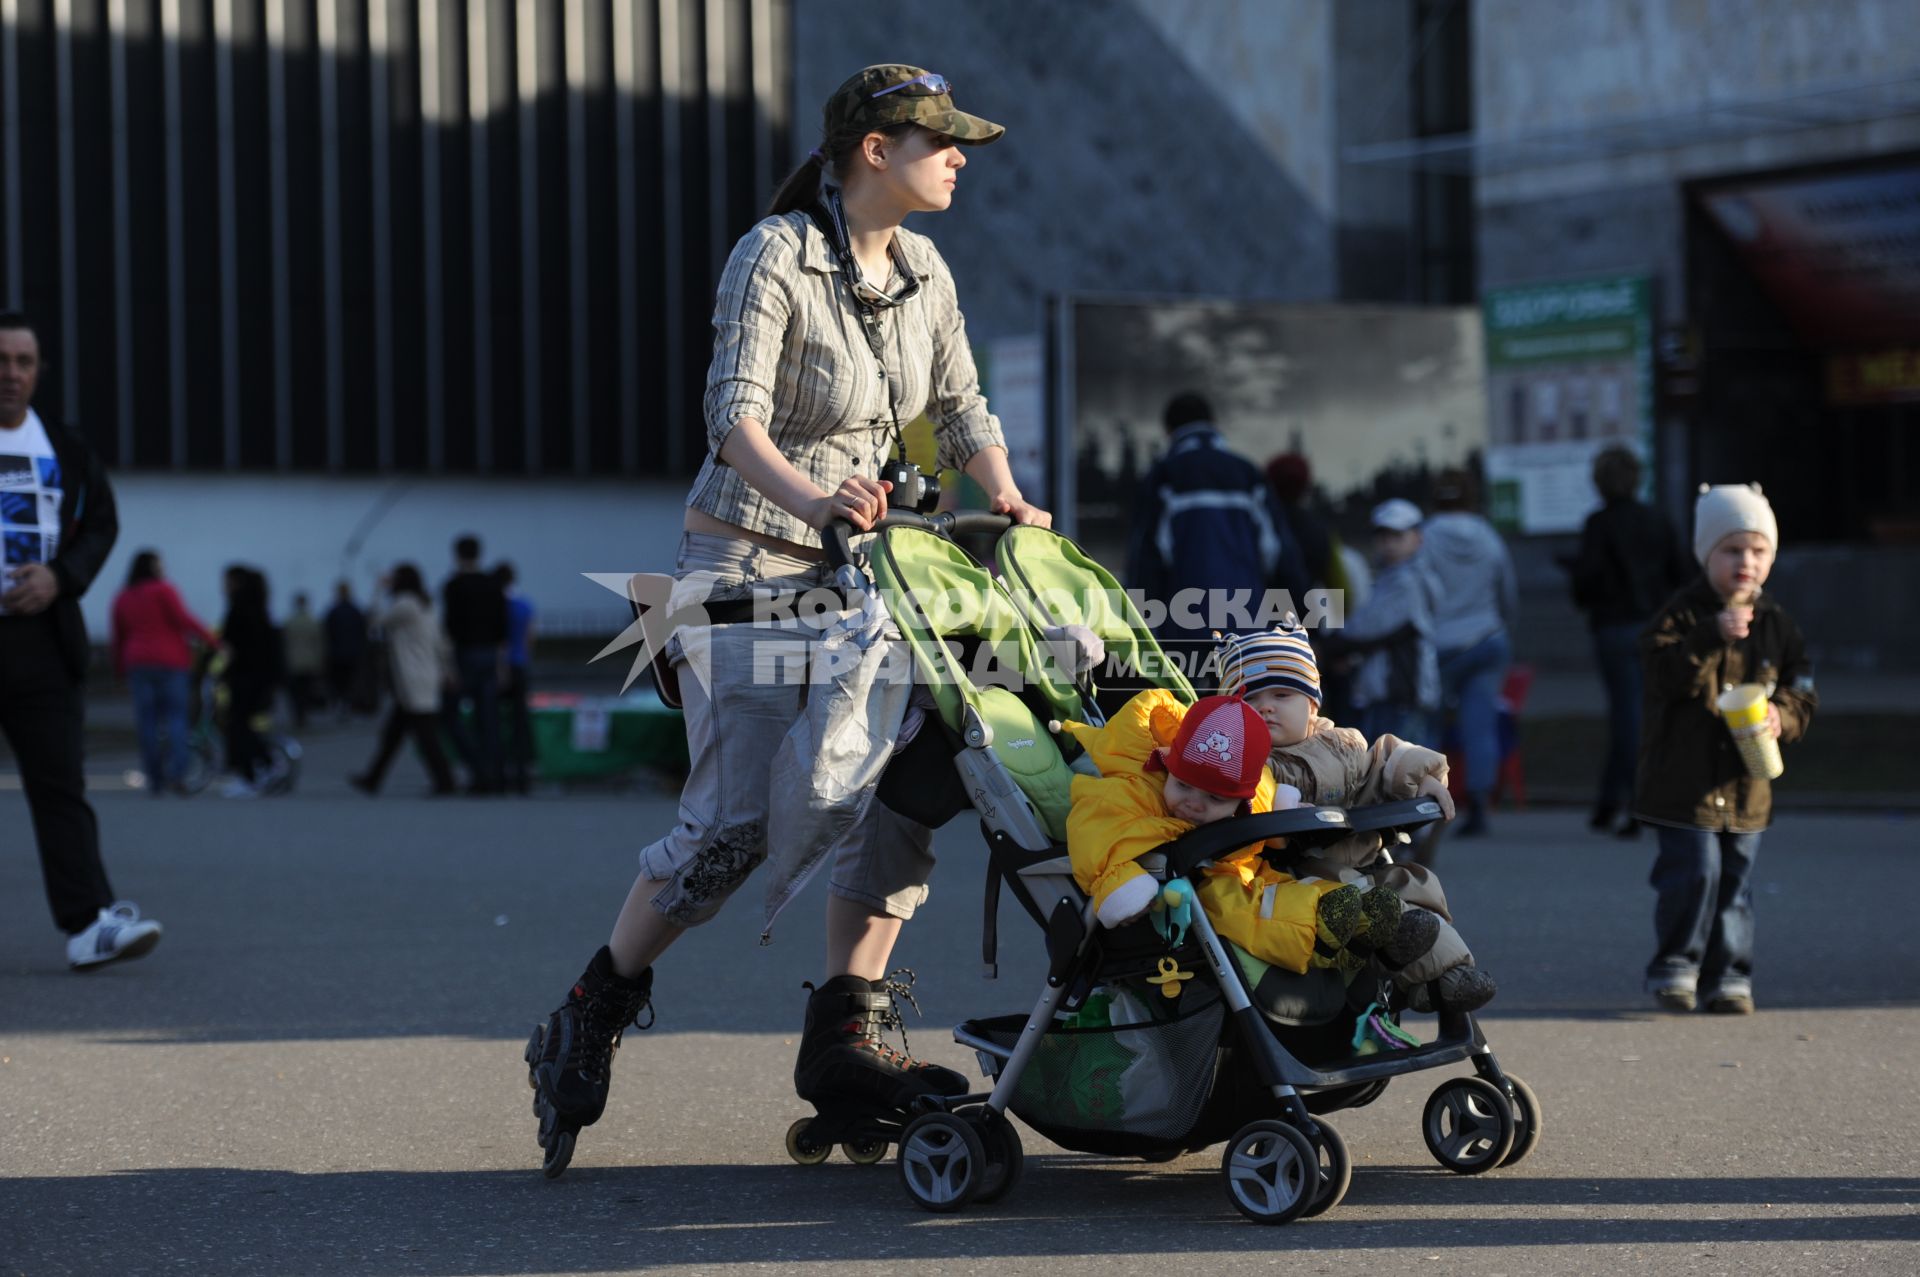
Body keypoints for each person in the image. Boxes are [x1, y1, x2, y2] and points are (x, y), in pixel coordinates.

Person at [521, 64, 1050, 1177]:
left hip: (870, 573)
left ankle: (846, 1029)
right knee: (733, 827)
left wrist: (1004, 492)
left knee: (906, 775)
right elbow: (733, 419)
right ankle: (595, 1001)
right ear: (873, 148)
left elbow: (960, 407)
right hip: (746, 563)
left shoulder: (926, 270)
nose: (960, 157)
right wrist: (814, 500)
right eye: (940, 140)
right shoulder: (776, 254)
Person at [1216, 625, 1496, 1012]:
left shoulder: (1342, 745)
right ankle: (1406, 976)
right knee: (1369, 905)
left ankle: (1453, 977)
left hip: (1362, 863)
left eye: (1282, 695)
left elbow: (1383, 763)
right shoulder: (1243, 763)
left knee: (1412, 887)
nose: (1266, 707)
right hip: (1298, 880)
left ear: (1312, 704)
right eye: (1250, 700)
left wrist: (1424, 778)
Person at [1062, 689, 1428, 983]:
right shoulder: (1133, 788)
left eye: (1215, 798)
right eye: (1183, 786)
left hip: (1241, 865)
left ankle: (1359, 921)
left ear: (1242, 800)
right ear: (1166, 762)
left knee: (1282, 884)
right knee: (1242, 910)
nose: (1193, 804)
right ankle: (1321, 930)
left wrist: (1284, 811)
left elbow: (1265, 791)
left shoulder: (1251, 794)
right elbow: (1096, 831)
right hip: (1187, 886)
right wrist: (1120, 883)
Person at [0, 310, 163, 968]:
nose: (10, 374)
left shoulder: (64, 448)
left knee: (60, 785)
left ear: (38, 371)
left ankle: (89, 923)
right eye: (0, 360)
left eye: (23, 362)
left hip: (41, 640)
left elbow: (101, 523)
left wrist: (62, 577)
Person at [1637, 484, 1815, 1016]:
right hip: (1682, 784)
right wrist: (1708, 637)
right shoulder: (1680, 616)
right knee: (1694, 874)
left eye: (1758, 551)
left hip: (1746, 785)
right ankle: (1676, 967)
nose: (1746, 561)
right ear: (1705, 553)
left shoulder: (1778, 625)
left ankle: (1729, 977)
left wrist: (1784, 713)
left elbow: (1802, 685)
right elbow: (1662, 676)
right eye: (1732, 550)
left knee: (1735, 883)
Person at [1125, 392, 1309, 682]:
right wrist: (1308, 628)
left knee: (1192, 722)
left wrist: (1139, 636)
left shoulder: (1163, 477)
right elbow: (1280, 557)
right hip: (1249, 632)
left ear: (1169, 431)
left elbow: (1145, 565)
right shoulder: (1247, 473)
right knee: (1246, 720)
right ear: (1213, 424)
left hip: (1184, 637)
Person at [1566, 447, 1692, 839]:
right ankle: (1609, 803)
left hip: (1615, 629)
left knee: (1626, 718)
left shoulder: (1599, 524)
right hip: (1656, 627)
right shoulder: (1658, 519)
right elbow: (1683, 574)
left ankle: (1640, 804)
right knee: (1640, 715)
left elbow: (1587, 582)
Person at [1421, 468, 1516, 837]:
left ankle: (1426, 805)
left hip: (1441, 646)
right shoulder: (1488, 537)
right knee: (1481, 727)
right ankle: (1479, 806)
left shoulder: (1425, 537)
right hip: (1488, 638)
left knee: (1428, 726)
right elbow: (1508, 590)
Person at [1330, 499, 1441, 747]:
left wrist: (1327, 648)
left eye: (1397, 536)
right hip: (1391, 695)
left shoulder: (1408, 581)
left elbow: (1367, 629)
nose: (1389, 544)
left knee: (1398, 777)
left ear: (1418, 538)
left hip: (1400, 697)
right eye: (1382, 536)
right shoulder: (1390, 578)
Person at [110, 550, 218, 795]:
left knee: (147, 722)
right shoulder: (164, 590)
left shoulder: (124, 597)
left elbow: (118, 636)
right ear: (153, 568)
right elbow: (183, 620)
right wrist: (212, 639)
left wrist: (119, 672)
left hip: (138, 663)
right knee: (176, 718)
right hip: (171, 661)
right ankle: (179, 773)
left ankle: (155, 778)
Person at [349, 564, 457, 796]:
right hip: (424, 675)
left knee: (424, 736)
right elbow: (441, 641)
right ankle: (373, 777)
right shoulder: (426, 604)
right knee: (395, 734)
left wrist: (378, 589)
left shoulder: (405, 604)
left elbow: (374, 621)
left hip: (412, 678)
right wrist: (446, 668)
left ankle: (445, 781)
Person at [441, 534, 507, 794]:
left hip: (464, 654)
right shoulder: (493, 584)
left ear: (457, 555)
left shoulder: (453, 585)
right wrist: (502, 665)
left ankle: (477, 768)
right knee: (488, 718)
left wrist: (448, 667)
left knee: (451, 714)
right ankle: (494, 775)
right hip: (490, 654)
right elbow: (502, 627)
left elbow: (449, 627)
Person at [217, 566, 284, 798]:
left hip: (243, 677)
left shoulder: (238, 609)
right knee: (244, 724)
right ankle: (265, 763)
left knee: (238, 725)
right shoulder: (260, 609)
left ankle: (252, 774)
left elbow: (228, 644)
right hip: (260, 677)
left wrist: (218, 669)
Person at [496, 562, 535, 794]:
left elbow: (500, 643)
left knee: (499, 723)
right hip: (521, 666)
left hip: (503, 667)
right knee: (521, 723)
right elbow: (530, 637)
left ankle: (502, 772)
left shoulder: (500, 606)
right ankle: (523, 775)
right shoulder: (524, 605)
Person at [323, 581, 369, 718]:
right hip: (353, 652)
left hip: (337, 653)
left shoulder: (333, 611)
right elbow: (362, 631)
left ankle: (340, 703)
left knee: (339, 681)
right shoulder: (356, 611)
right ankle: (348, 703)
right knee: (351, 680)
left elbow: (327, 632)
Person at [282, 591, 325, 730]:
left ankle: (298, 715)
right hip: (309, 661)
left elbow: (284, 644)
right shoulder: (312, 621)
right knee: (307, 690)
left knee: (295, 692)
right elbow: (319, 643)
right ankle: (304, 715)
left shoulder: (289, 622)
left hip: (293, 662)